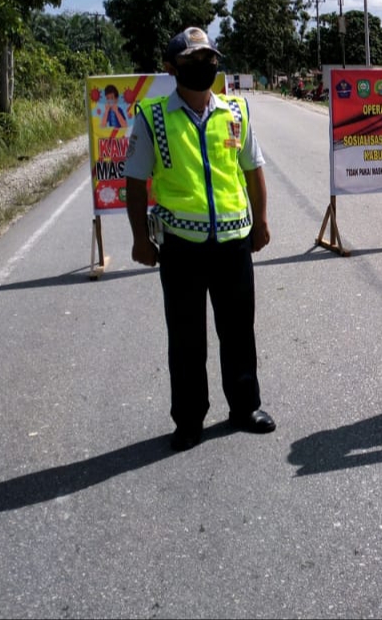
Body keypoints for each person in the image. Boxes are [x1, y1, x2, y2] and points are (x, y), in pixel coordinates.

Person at [123, 27, 276, 451]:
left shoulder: (236, 111)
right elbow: (135, 182)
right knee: (187, 337)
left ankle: (245, 407)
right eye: (193, 62)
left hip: (233, 243)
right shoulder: (152, 117)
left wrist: (260, 221)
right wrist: (140, 239)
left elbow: (253, 170)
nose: (205, 67)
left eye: (210, 59)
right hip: (181, 246)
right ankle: (189, 420)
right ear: (172, 69)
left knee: (238, 330)